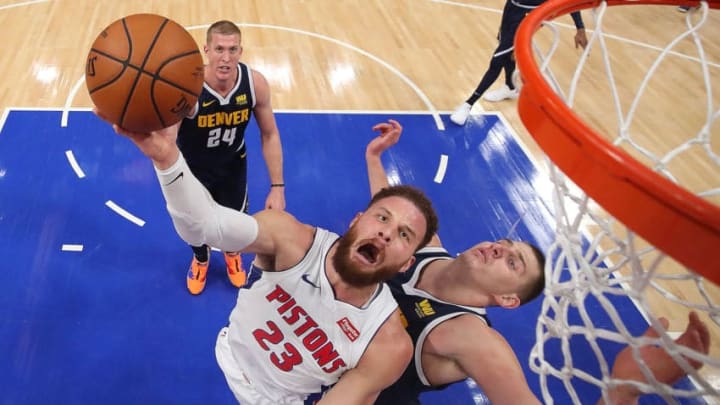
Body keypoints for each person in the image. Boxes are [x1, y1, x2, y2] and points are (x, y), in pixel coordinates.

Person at [96, 112, 440, 404]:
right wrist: (167, 160)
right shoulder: (290, 237)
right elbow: (204, 226)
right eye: (381, 218)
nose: (386, 233)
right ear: (355, 220)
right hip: (226, 352)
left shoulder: (388, 344)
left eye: (404, 235)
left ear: (407, 263)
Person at [364, 122, 710, 404]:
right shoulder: (426, 248)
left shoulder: (474, 341)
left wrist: (623, 389)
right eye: (504, 245)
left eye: (513, 264)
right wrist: (375, 158)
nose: (500, 249)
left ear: (507, 300)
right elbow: (390, 211)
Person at [178, 20, 286, 295]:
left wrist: (277, 187)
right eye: (219, 49)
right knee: (194, 224)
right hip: (192, 170)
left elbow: (270, 134)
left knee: (235, 222)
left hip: (232, 167)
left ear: (241, 50)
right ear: (206, 50)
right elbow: (167, 139)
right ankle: (201, 259)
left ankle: (231, 254)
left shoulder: (254, 84)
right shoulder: (188, 88)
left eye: (232, 49)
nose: (225, 58)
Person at [450, 1, 588, 126]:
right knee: (506, 52)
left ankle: (468, 104)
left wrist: (580, 28)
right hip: (511, 8)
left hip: (528, 15)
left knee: (497, 60)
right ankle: (510, 87)